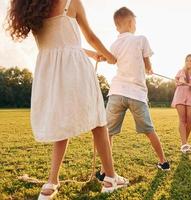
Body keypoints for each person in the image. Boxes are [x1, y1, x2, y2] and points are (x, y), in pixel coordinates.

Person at [6, 0, 128, 198]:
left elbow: (60, 44)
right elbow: (89, 36)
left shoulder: (33, 9)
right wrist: (110, 57)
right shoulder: (71, 2)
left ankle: (51, 183)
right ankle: (111, 178)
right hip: (75, 69)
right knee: (98, 121)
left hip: (49, 72)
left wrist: (92, 54)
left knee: (61, 122)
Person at [97, 7, 170, 178]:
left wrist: (101, 56)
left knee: (108, 133)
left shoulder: (114, 44)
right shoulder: (141, 39)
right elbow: (147, 64)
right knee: (149, 130)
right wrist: (149, 69)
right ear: (131, 22)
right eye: (135, 22)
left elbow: (111, 60)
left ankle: (103, 171)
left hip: (116, 92)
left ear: (117, 27)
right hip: (136, 94)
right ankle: (163, 161)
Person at [171, 54, 191, 153]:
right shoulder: (181, 71)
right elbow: (176, 82)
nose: (189, 62)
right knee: (182, 120)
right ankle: (184, 145)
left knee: (190, 121)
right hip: (180, 95)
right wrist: (181, 81)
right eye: (187, 60)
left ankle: (185, 142)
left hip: (190, 97)